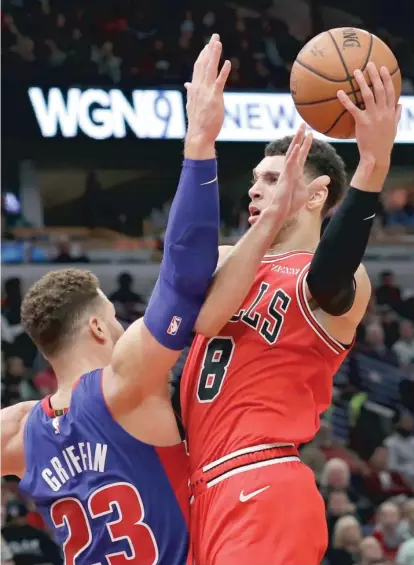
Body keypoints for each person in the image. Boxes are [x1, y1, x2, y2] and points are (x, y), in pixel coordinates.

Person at [1, 35, 314, 565]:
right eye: (115, 316)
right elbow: (183, 280)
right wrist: (199, 142)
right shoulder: (124, 382)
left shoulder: (19, 430)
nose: (125, 325)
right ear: (99, 329)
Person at [181, 61, 402, 564]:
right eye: (256, 178)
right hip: (198, 486)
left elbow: (329, 277)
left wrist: (372, 166)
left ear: (318, 194)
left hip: (260, 478)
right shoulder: (224, 260)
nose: (257, 188)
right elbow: (187, 287)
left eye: (275, 178)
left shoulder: (337, 277)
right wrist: (199, 138)